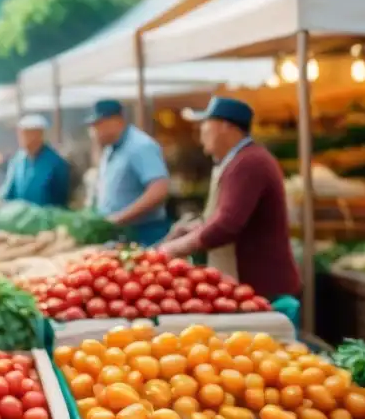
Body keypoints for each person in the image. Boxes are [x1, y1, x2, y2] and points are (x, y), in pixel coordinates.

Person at [160, 97, 301, 299]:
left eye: (205, 125)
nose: (201, 133)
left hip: (262, 288)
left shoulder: (249, 163)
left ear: (226, 126)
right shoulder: (238, 160)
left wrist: (174, 248)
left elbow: (226, 225)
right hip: (249, 285)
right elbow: (228, 216)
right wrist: (192, 229)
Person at [87, 99, 171, 245]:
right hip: (120, 234)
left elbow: (159, 189)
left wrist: (120, 218)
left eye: (98, 125)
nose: (94, 131)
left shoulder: (140, 146)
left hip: (144, 234)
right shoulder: (110, 149)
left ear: (116, 121)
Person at [0, 114, 71, 207]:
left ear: (39, 134)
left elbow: (61, 199)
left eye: (27, 133)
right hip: (21, 217)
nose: (22, 138)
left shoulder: (56, 163)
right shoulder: (17, 161)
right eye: (21, 133)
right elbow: (8, 193)